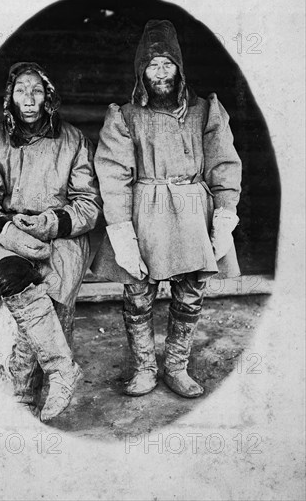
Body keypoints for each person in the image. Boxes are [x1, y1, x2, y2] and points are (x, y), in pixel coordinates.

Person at [91, 20, 242, 398]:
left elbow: (224, 165)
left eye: (167, 64)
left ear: (179, 69)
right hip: (146, 210)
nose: (160, 72)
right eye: (153, 65)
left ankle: (176, 367)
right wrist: (122, 233)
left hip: (193, 211)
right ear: (142, 71)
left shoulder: (205, 111)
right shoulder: (124, 116)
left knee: (191, 291)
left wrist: (224, 216)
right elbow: (113, 175)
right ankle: (144, 369)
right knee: (138, 292)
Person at [0, 62, 102, 421]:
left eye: (37, 90)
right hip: (8, 234)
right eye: (21, 91)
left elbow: (88, 204)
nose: (29, 99)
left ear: (48, 96)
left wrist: (49, 223)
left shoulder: (73, 141)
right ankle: (61, 370)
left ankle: (21, 390)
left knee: (50, 285)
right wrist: (11, 233)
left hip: (62, 235)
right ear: (10, 97)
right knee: (11, 274)